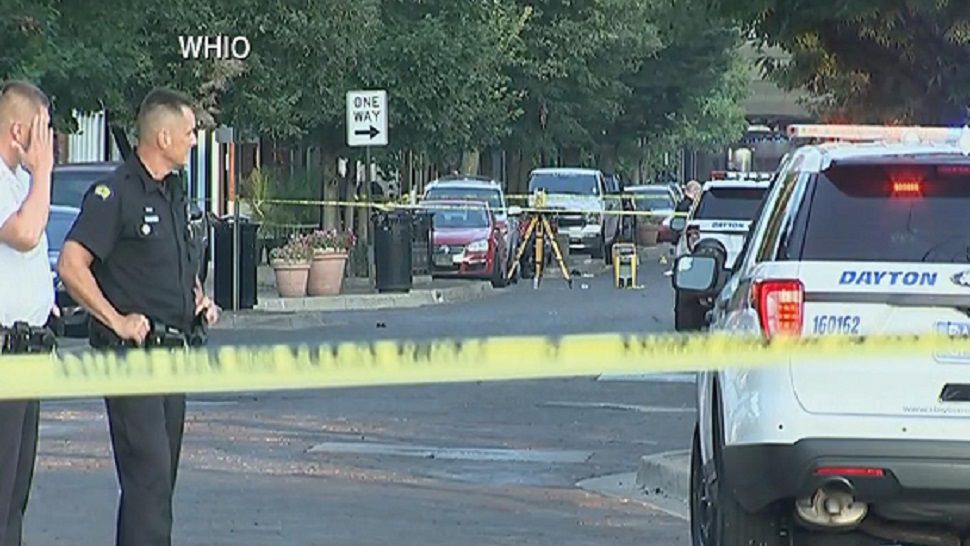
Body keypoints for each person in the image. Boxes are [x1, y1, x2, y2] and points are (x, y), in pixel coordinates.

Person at [57, 87, 220, 546]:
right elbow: (72, 265)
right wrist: (117, 320)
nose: (193, 139)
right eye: (189, 132)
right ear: (163, 136)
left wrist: (198, 300)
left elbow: (177, 264)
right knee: (148, 481)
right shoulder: (117, 194)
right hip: (134, 360)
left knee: (157, 487)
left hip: (173, 357)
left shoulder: (173, 193)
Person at [0, 80, 55, 546]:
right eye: (44, 131)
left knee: (17, 488)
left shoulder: (19, 179)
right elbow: (24, 233)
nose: (49, 143)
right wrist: (46, 174)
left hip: (27, 352)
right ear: (19, 129)